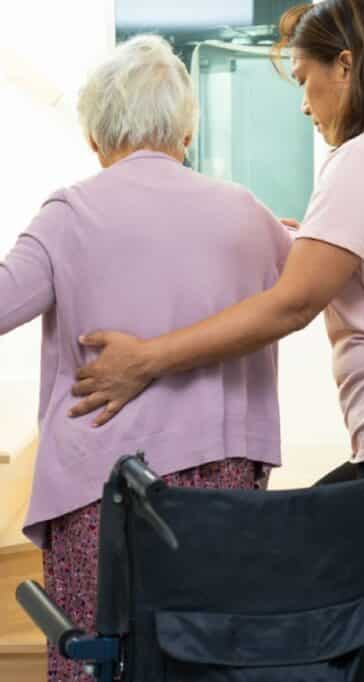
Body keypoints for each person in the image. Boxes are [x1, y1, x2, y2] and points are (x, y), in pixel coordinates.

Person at [63, 3, 364, 681]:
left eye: (305, 79)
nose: (303, 104)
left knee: (346, 576)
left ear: (347, 66)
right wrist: (303, 240)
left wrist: (147, 360)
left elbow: (292, 303)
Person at [0, 35, 291, 681]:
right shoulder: (247, 213)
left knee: (97, 661)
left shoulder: (70, 213)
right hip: (225, 487)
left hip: (100, 492)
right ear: (185, 131)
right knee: (212, 664)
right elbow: (310, 290)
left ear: (97, 135)